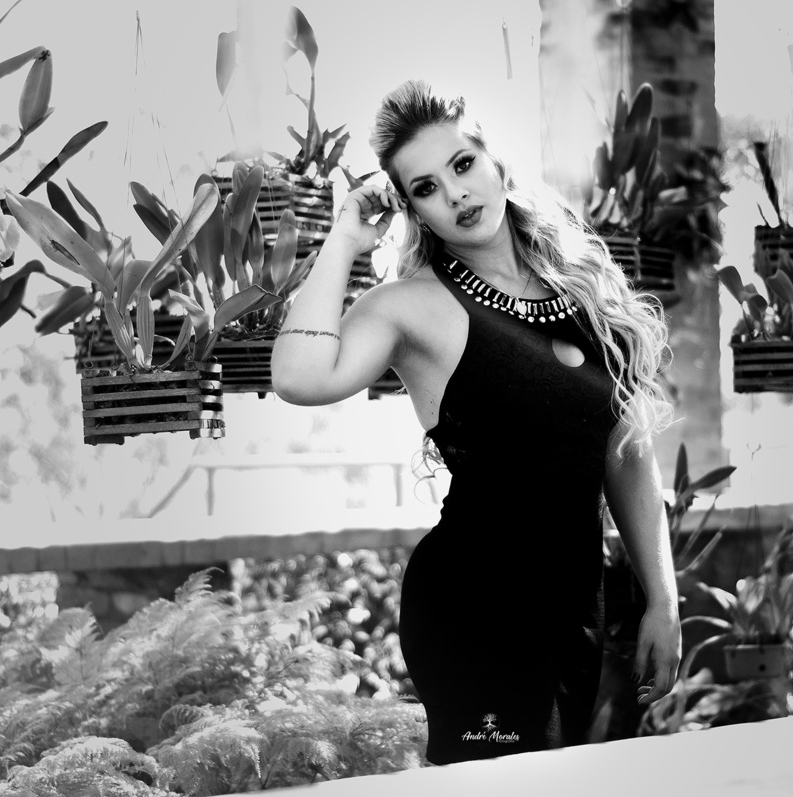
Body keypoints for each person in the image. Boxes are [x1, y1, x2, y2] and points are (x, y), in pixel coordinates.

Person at [271, 79, 681, 765]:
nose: (456, 194)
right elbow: (299, 376)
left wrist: (662, 597)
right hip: (473, 609)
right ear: (414, 211)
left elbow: (626, 451)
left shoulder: (580, 288)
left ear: (497, 162)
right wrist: (343, 239)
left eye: (463, 164)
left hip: (573, 612)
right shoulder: (410, 307)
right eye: (426, 188)